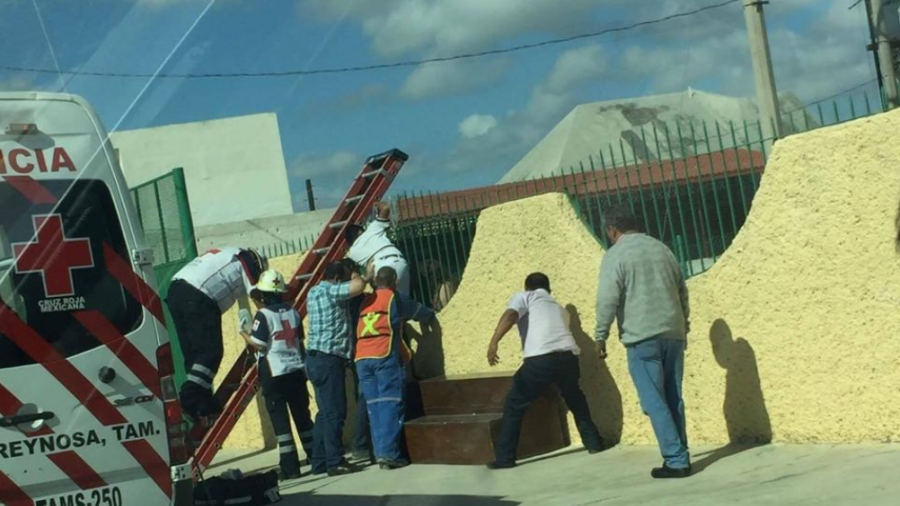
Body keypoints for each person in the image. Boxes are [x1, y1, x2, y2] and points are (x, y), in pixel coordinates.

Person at [594, 205, 692, 479]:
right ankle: (680, 452)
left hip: (642, 337)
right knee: (674, 398)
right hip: (673, 333)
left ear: (612, 230)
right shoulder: (662, 249)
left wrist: (600, 335)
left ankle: (675, 460)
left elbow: (607, 298)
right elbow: (682, 290)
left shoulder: (616, 255)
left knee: (654, 401)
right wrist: (684, 324)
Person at [485, 272, 604, 470]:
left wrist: (494, 341)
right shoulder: (558, 308)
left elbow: (511, 315)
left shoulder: (525, 297)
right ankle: (594, 443)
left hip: (540, 360)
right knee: (574, 397)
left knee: (514, 404)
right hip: (569, 358)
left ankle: (505, 459)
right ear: (549, 289)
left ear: (527, 287)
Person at [165, 247, 267, 421]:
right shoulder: (245, 259)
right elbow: (258, 294)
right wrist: (271, 317)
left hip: (176, 291)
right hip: (199, 296)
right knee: (210, 353)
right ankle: (189, 398)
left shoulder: (225, 253)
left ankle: (203, 404)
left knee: (195, 356)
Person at [355, 266, 435, 470]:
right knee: (390, 403)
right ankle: (390, 454)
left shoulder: (366, 300)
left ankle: (380, 453)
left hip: (362, 357)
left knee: (374, 406)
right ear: (394, 281)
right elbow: (422, 313)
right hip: (383, 356)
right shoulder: (395, 298)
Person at [238, 269, 314, 480]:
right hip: (296, 371)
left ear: (263, 295)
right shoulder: (294, 312)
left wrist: (243, 331)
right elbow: (299, 342)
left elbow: (259, 345)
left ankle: (290, 469)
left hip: (274, 373)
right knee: (303, 417)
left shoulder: (263, 315)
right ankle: (318, 458)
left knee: (281, 423)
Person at [305, 261, 367, 476]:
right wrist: (359, 274)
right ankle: (335, 461)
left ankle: (319, 461)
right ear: (340, 278)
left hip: (314, 359)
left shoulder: (313, 291)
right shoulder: (332, 291)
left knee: (324, 413)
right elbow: (359, 287)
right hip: (329, 359)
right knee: (335, 412)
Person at [346, 201, 410, 295]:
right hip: (399, 262)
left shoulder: (352, 253)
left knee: (387, 302)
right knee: (404, 300)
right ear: (360, 231)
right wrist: (376, 204)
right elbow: (385, 208)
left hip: (379, 268)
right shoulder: (371, 230)